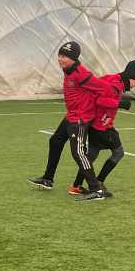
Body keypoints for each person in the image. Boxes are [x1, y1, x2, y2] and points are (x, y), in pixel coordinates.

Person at [27, 40, 106, 197]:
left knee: (78, 153)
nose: (60, 59)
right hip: (71, 115)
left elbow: (103, 88)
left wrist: (111, 109)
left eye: (64, 56)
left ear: (74, 58)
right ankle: (48, 179)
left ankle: (96, 189)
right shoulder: (68, 70)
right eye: (60, 55)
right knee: (55, 141)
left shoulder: (82, 74)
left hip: (80, 119)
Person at [69, 61, 135, 196]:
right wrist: (120, 104)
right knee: (118, 152)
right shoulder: (116, 85)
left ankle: (76, 186)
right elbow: (100, 101)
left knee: (91, 155)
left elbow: (94, 91)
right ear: (130, 77)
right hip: (102, 126)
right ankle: (98, 182)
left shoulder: (111, 77)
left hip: (94, 123)